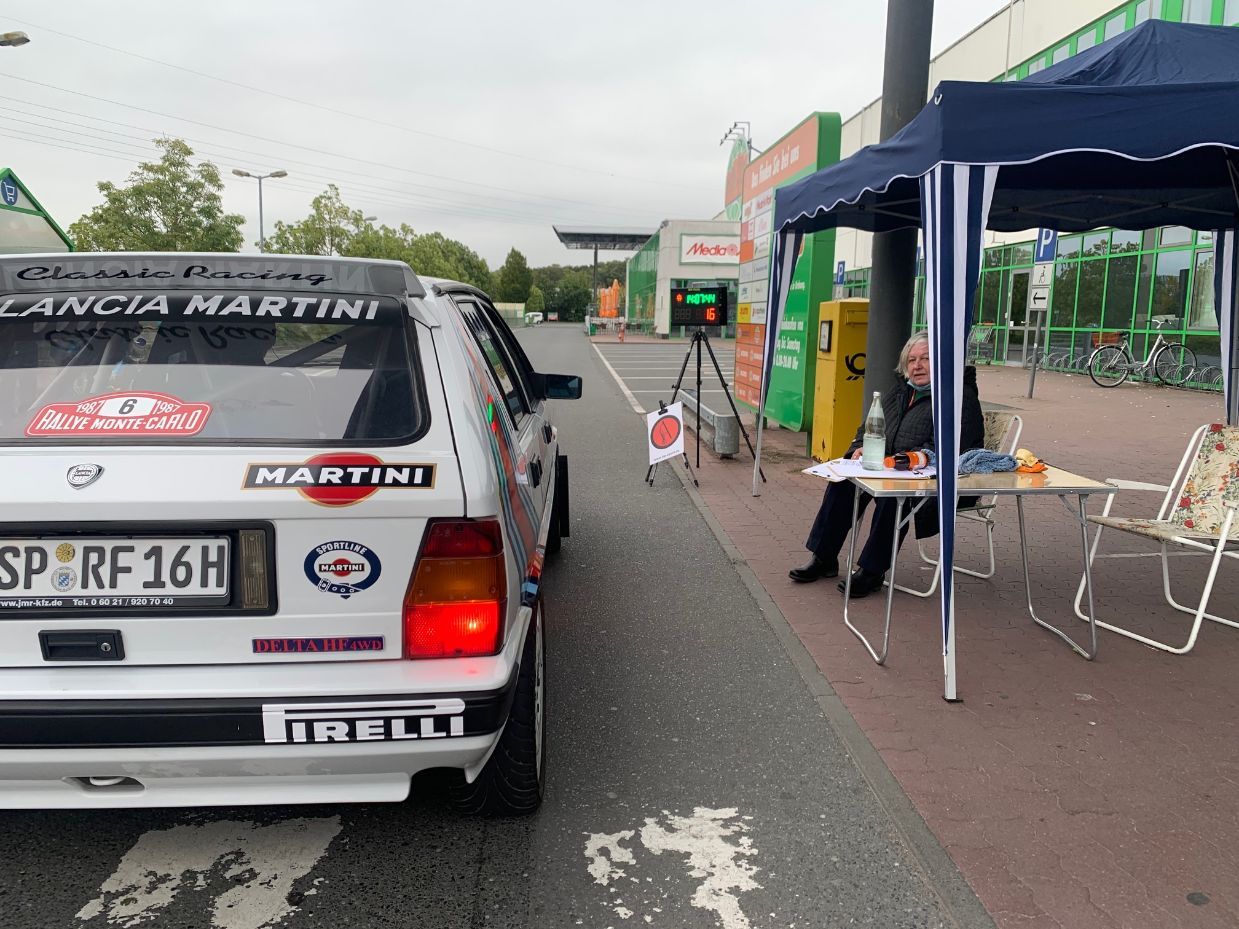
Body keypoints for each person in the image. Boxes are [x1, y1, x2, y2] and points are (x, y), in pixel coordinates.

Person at [789, 331, 985, 597]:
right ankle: (824, 557)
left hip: (936, 481)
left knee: (893, 497)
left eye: (926, 358)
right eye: (912, 360)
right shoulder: (901, 391)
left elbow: (952, 448)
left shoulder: (958, 397)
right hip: (890, 469)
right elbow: (868, 428)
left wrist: (903, 461)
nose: (917, 366)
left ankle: (871, 571)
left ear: (942, 361)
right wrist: (859, 449)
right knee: (842, 483)